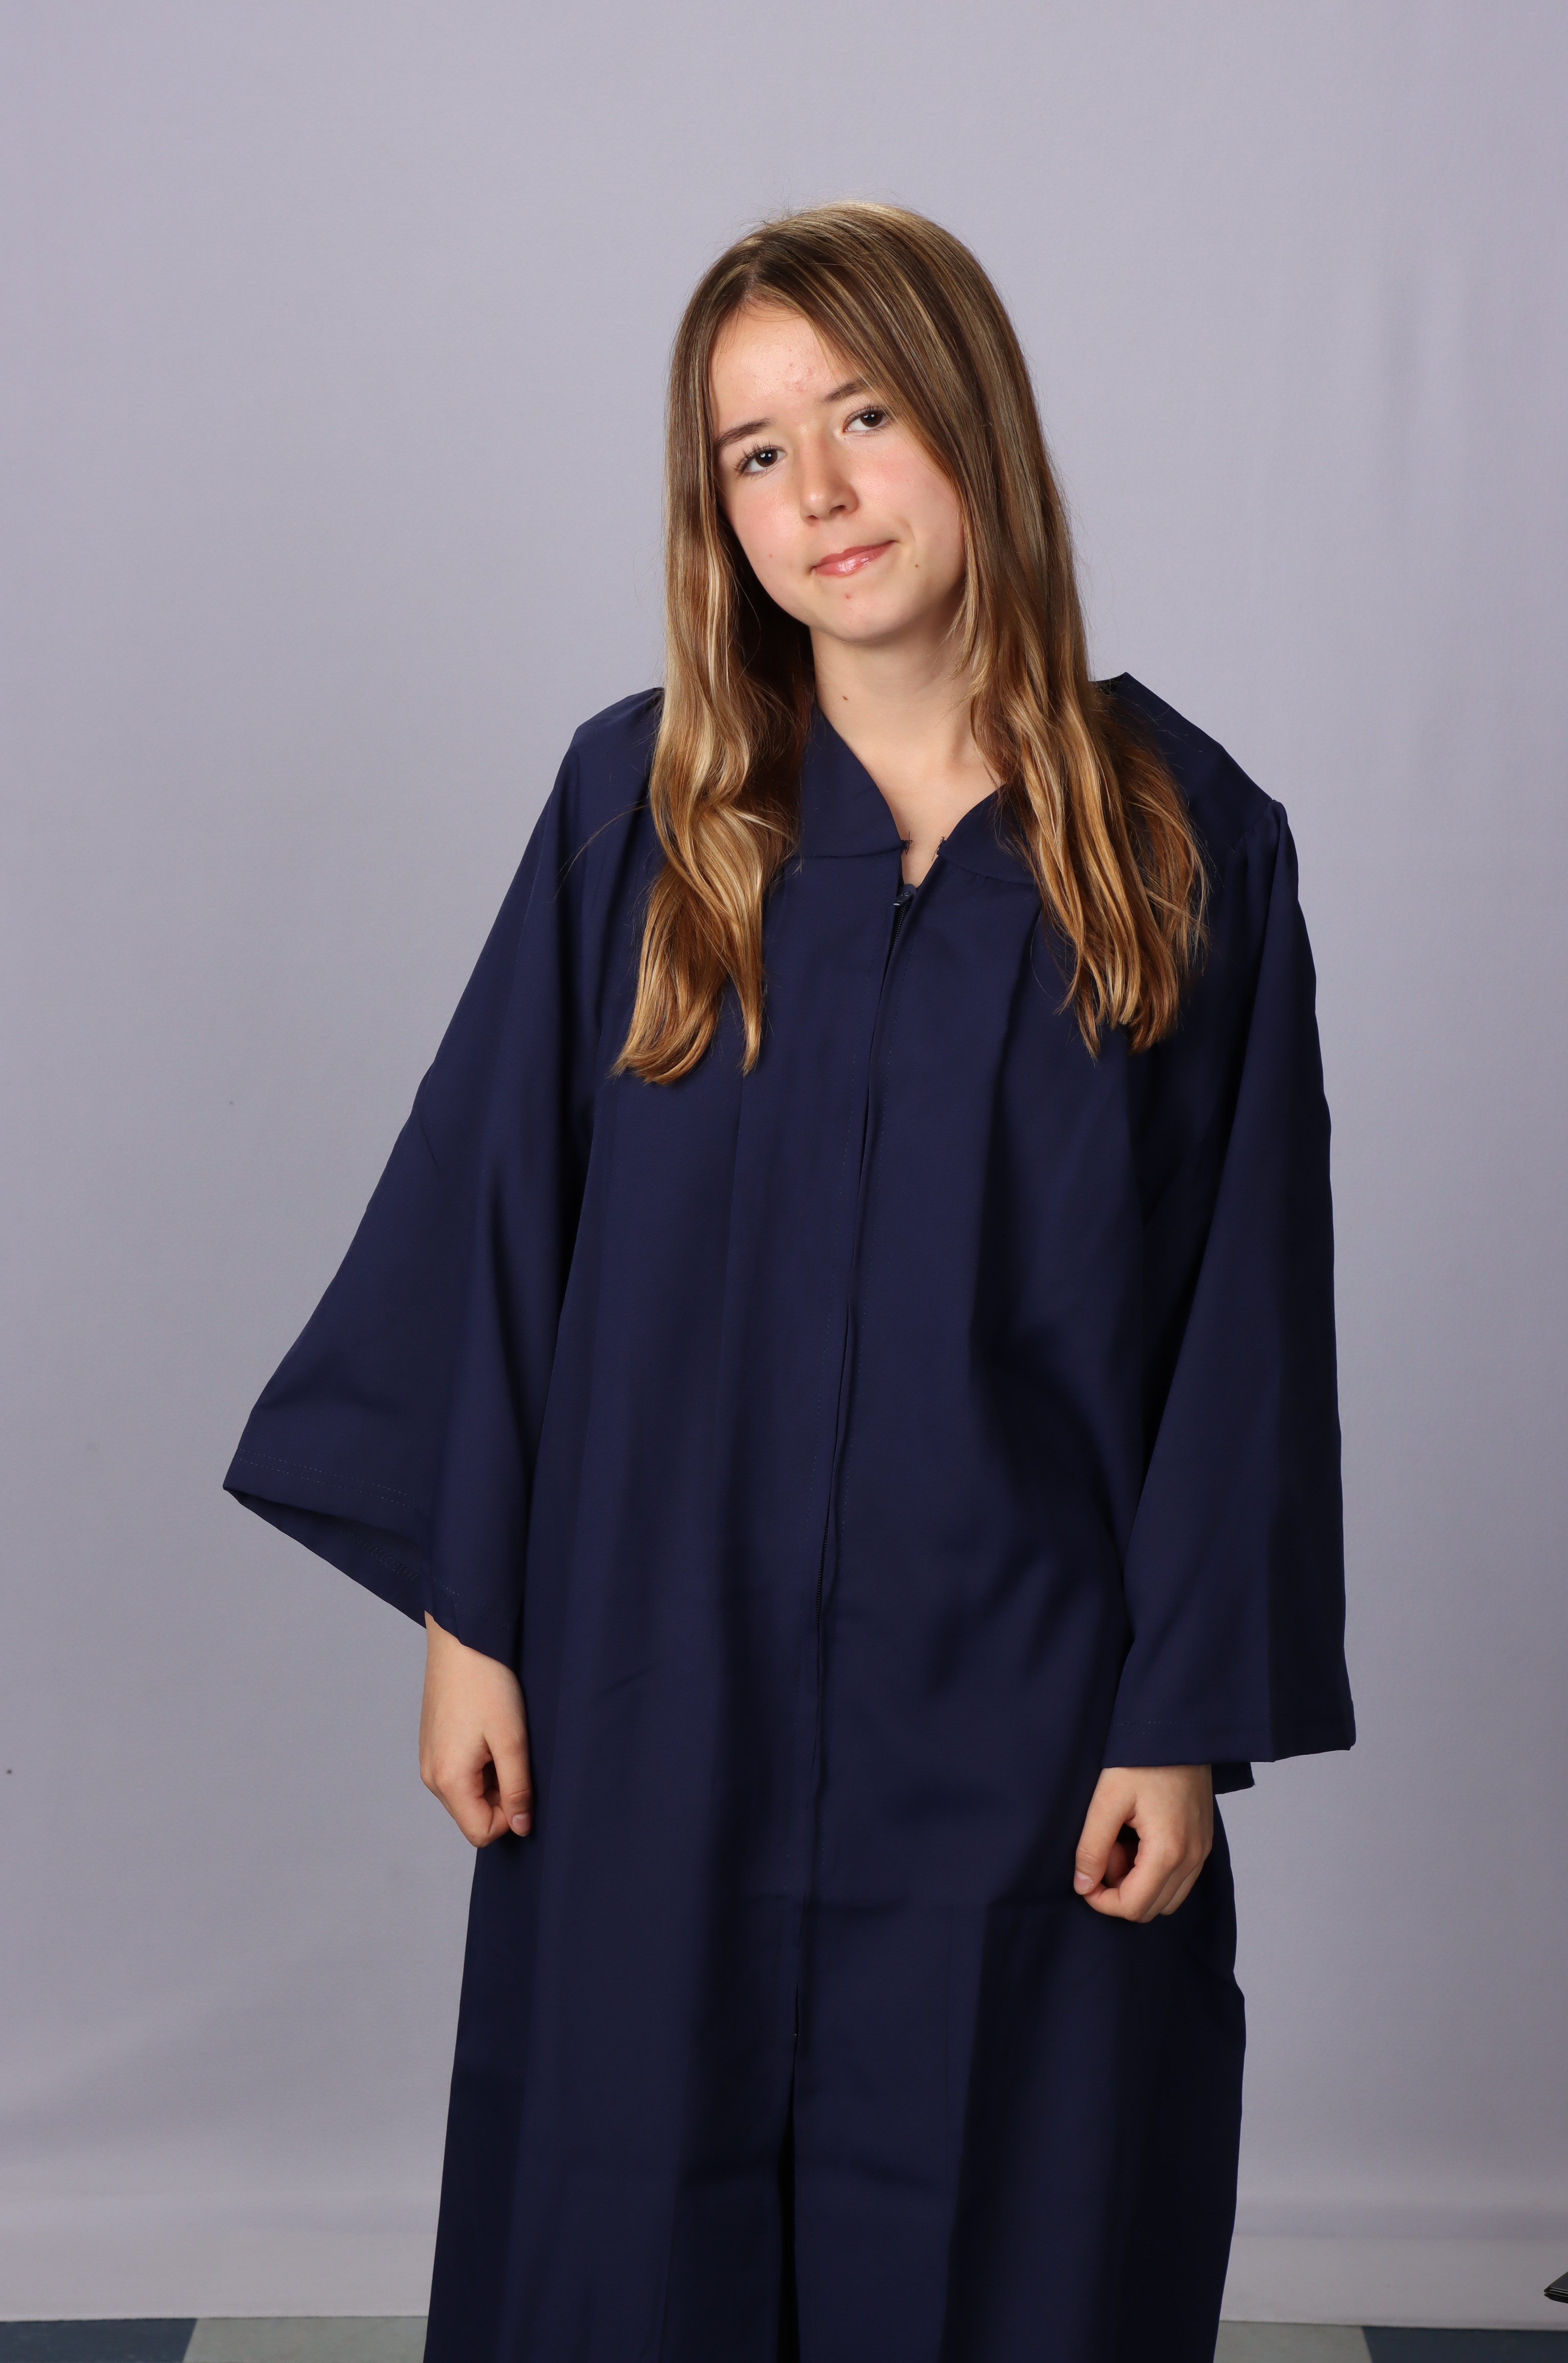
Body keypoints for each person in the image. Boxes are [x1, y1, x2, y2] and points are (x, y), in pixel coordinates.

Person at [225, 201, 1354, 2363]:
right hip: (654, 1682)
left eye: (865, 417)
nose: (818, 492)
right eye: (755, 452)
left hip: (1022, 1698)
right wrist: (471, 1620)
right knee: (632, 2210)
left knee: (1012, 2216)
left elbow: (1242, 1321)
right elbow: (498, 1221)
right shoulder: (645, 812)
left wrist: (1184, 1721)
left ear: (974, 423)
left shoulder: (1182, 840)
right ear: (715, 508)